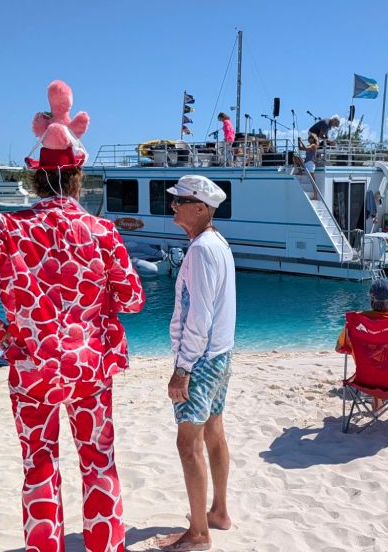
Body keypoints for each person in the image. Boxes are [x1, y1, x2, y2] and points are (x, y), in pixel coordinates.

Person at [0, 89, 145, 552]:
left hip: (32, 366)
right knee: (98, 462)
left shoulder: (7, 227)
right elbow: (133, 300)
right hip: (90, 367)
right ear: (77, 178)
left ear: (36, 179)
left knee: (39, 464)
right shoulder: (102, 232)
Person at [156, 175, 236, 552]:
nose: (173, 206)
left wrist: (183, 368)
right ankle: (218, 512)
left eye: (180, 201)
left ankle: (200, 533)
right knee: (214, 432)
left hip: (201, 360)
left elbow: (199, 316)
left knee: (188, 444)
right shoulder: (217, 242)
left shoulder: (202, 250)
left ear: (201, 208)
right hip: (220, 354)